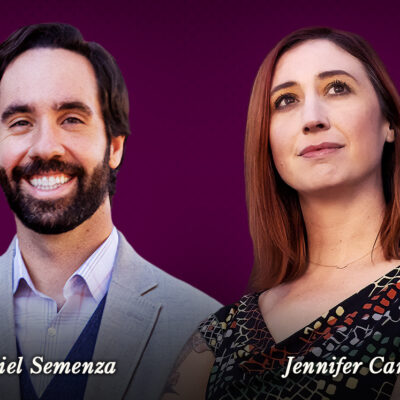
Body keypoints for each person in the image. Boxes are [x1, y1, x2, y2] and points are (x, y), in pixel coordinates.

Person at [163, 27, 400, 400]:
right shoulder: (218, 337)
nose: (312, 118)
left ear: (389, 123)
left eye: (337, 88)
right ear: (268, 140)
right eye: (286, 100)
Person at [0, 23, 220, 400]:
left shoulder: (206, 329)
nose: (45, 147)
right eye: (20, 123)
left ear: (114, 146)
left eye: (71, 118)